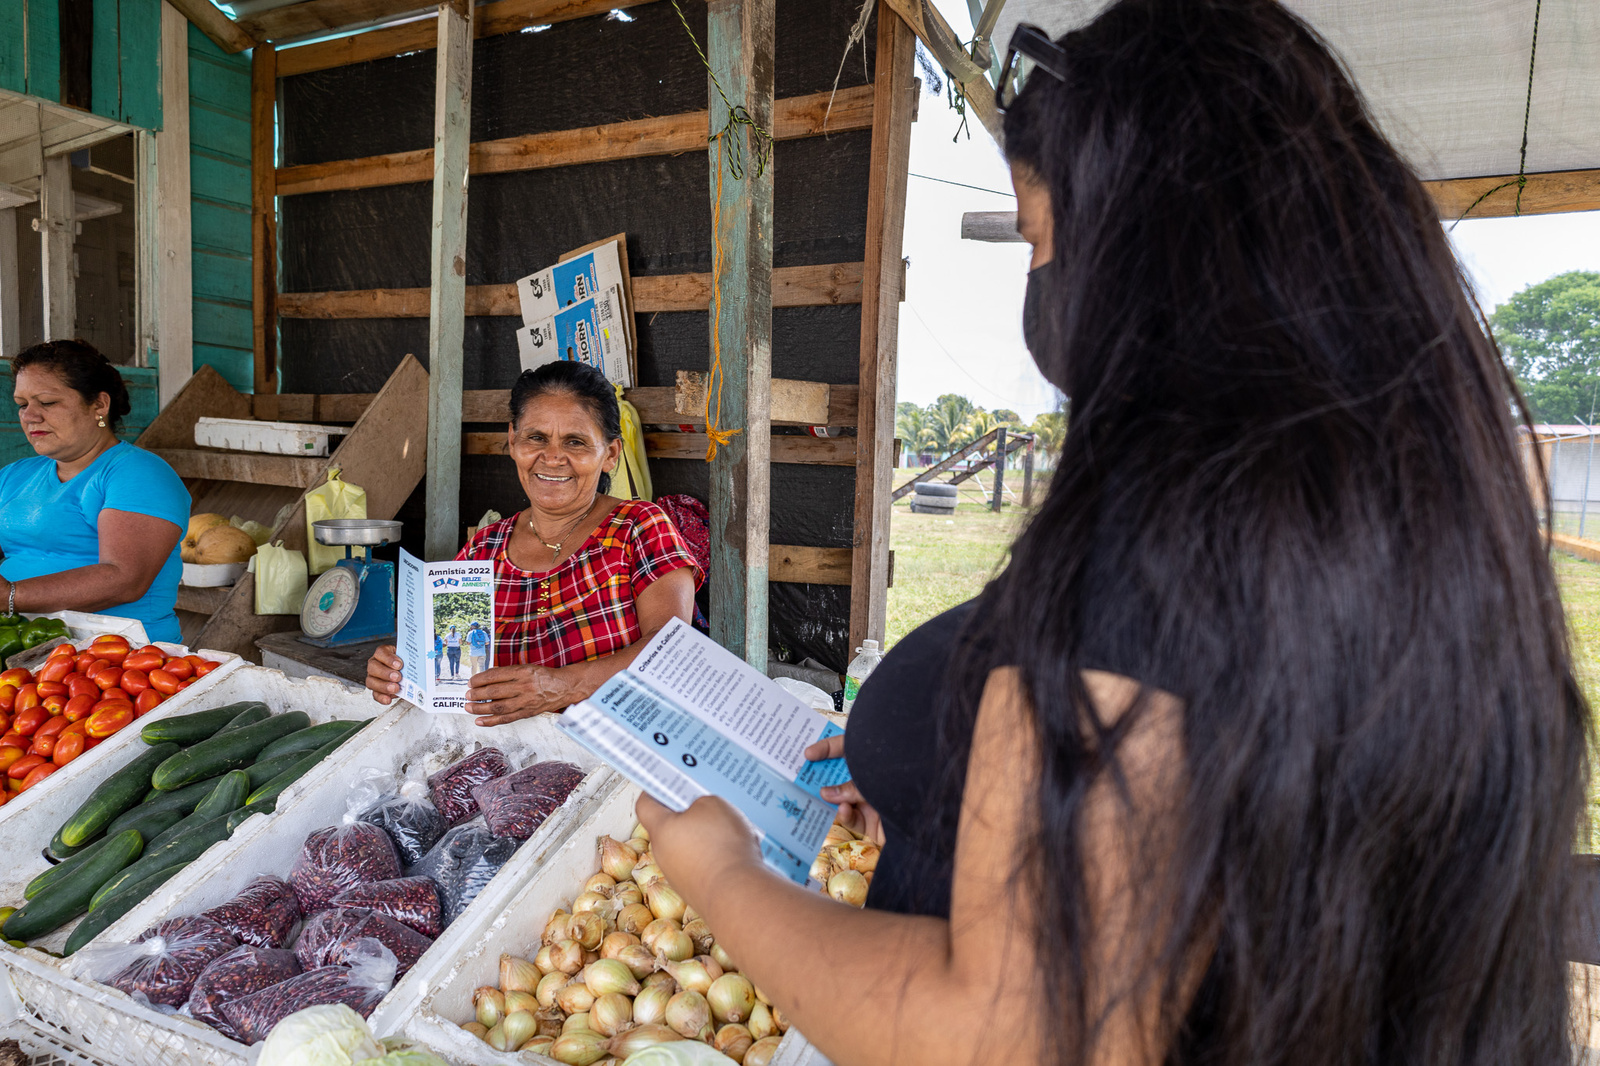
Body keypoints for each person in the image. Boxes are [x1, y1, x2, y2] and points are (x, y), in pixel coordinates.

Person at [634, 4, 1589, 1066]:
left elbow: (1013, 1034)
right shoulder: (1409, 504)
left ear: (1143, 244)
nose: (1037, 288)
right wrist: (945, 789)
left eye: (1038, 239)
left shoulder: (1166, 521)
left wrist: (720, 871)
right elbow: (1213, 809)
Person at [365, 360, 700, 724]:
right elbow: (449, 668)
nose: (553, 458)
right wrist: (403, 672)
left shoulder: (640, 527)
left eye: (575, 442)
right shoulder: (483, 550)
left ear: (611, 454)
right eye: (536, 438)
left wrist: (563, 686)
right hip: (506, 758)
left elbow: (674, 654)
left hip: (618, 759)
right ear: (513, 441)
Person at [0, 340, 190, 643]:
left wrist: (11, 595)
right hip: (25, 642)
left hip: (120, 662)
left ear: (99, 405)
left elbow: (124, 579)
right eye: (22, 404)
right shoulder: (15, 476)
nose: (29, 415)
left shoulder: (138, 473)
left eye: (47, 402)